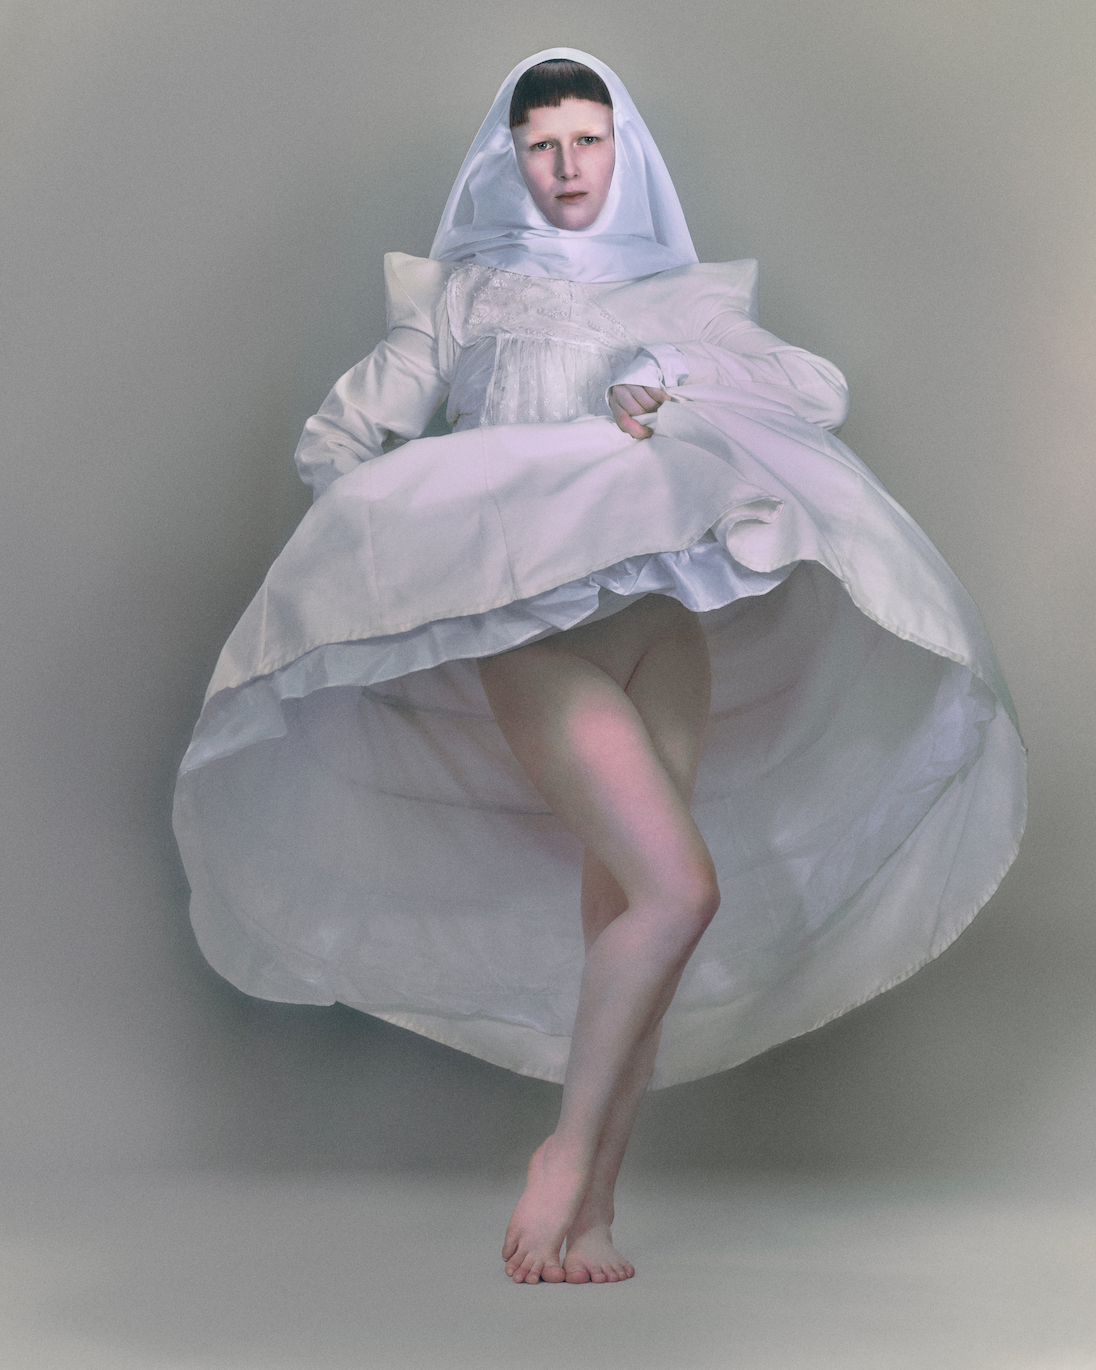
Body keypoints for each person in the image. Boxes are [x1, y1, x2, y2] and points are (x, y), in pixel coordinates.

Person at [173, 50, 1026, 1285]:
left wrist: (669, 375)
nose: (567, 167)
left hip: (658, 627)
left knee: (623, 911)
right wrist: (403, 551)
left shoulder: (676, 299)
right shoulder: (466, 297)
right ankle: (562, 1153)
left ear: (620, 150)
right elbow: (340, 443)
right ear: (510, 155)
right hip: (535, 640)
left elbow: (812, 391)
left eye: (586, 141)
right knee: (679, 888)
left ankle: (595, 1212)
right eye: (543, 146)